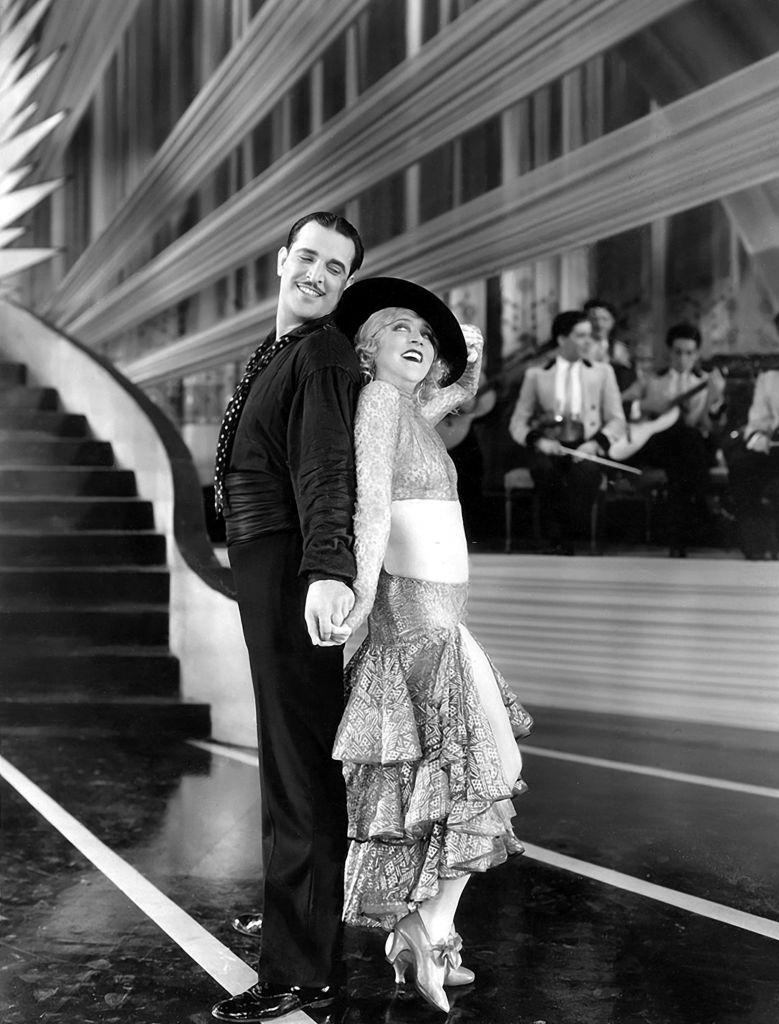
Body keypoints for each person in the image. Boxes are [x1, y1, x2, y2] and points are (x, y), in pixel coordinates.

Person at [330, 278, 533, 1014]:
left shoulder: (413, 408)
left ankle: (426, 936)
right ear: (364, 348)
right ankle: (427, 932)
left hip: (446, 618)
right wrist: (355, 596)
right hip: (419, 623)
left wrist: (462, 345)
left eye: (424, 331)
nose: (416, 338)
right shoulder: (381, 404)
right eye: (396, 328)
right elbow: (374, 504)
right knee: (488, 769)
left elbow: (463, 390)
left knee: (466, 780)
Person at [210, 211, 364, 1023]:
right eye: (308, 257)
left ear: (343, 284)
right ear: (282, 260)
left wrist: (328, 569)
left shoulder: (325, 354)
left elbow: (326, 466)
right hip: (266, 559)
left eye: (335, 268)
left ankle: (299, 971)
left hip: (291, 563)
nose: (317, 274)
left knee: (300, 763)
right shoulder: (282, 352)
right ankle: (294, 927)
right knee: (286, 755)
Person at [508, 310, 626, 553]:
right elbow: (518, 422)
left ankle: (566, 541)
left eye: (589, 336)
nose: (587, 342)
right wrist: (538, 441)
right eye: (580, 335)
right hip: (550, 445)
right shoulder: (537, 375)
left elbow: (617, 420)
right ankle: (557, 542)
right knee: (544, 469)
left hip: (587, 444)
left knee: (584, 472)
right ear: (562, 339)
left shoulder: (603, 372)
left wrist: (594, 445)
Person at [636, 323, 726, 556]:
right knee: (684, 445)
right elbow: (627, 408)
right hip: (660, 446)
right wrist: (647, 405)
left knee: (685, 453)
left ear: (697, 354)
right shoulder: (651, 380)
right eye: (677, 352)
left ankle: (677, 543)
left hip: (690, 449)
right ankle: (705, 502)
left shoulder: (707, 381)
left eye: (689, 352)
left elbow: (708, 426)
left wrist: (714, 399)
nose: (683, 358)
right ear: (669, 351)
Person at [726, 304, 779, 559]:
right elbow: (756, 421)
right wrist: (758, 436)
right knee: (741, 463)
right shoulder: (770, 379)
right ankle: (755, 547)